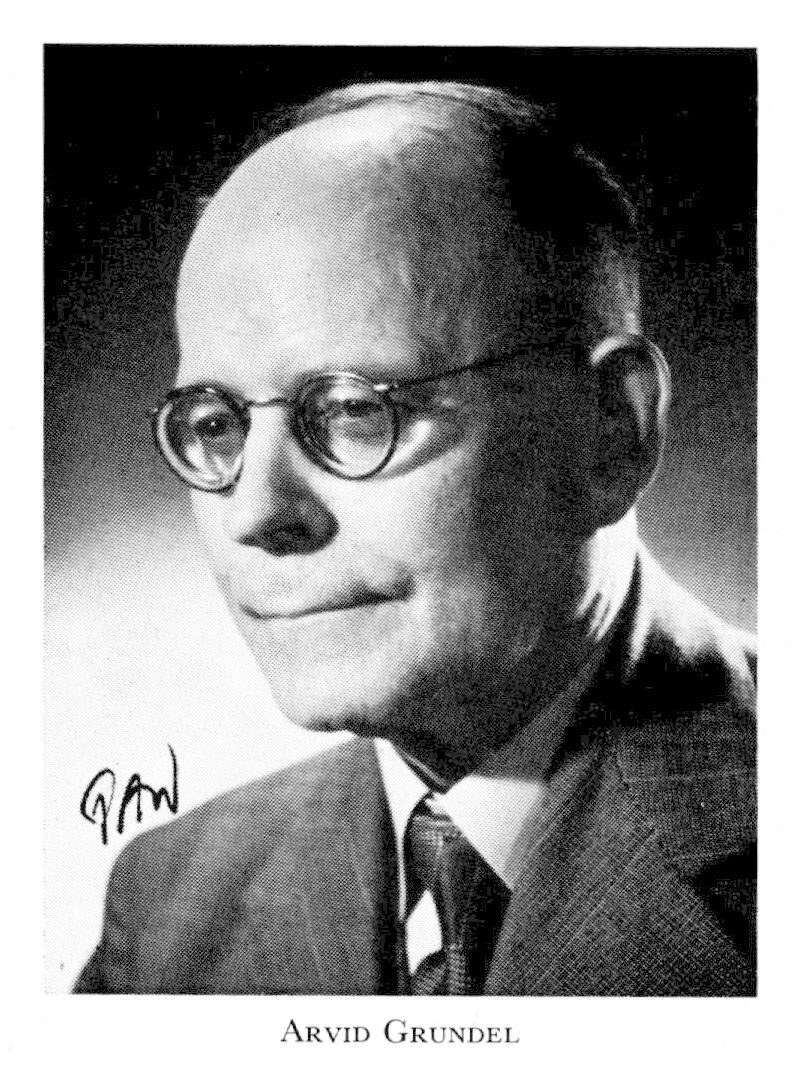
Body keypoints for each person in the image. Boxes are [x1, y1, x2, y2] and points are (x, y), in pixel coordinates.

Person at [75, 81, 756, 996]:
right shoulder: (169, 906)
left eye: (354, 411)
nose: (256, 514)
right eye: (216, 424)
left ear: (609, 430)